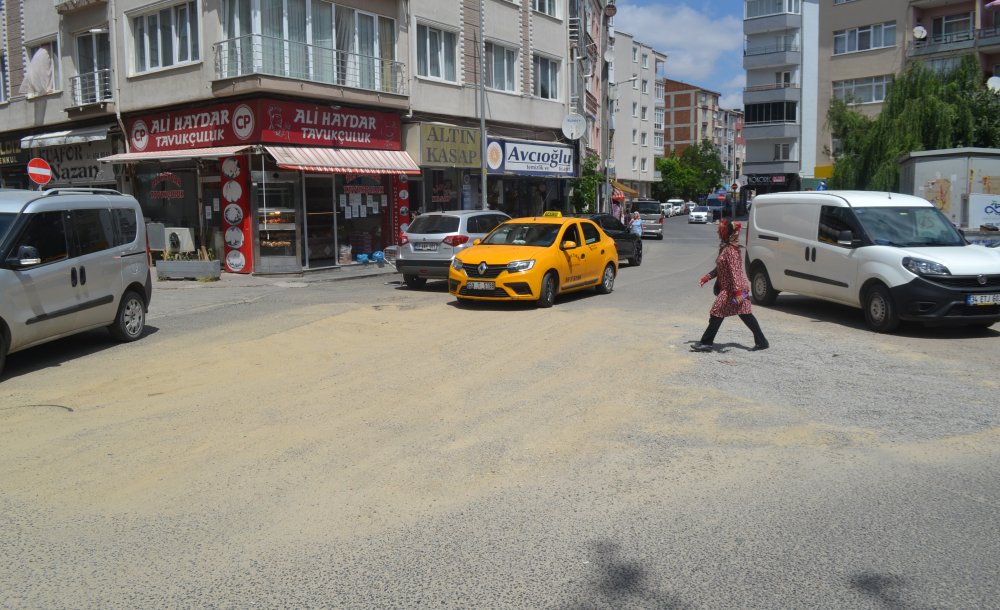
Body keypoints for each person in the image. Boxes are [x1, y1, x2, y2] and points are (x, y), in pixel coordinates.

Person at [691, 218, 769, 352]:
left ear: (727, 233)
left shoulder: (730, 250)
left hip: (734, 290)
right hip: (734, 289)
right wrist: (706, 278)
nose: (718, 233)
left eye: (721, 231)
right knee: (743, 313)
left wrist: (738, 293)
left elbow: (735, 273)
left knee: (719, 312)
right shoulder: (726, 248)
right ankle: (762, 341)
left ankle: (706, 342)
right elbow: (720, 269)